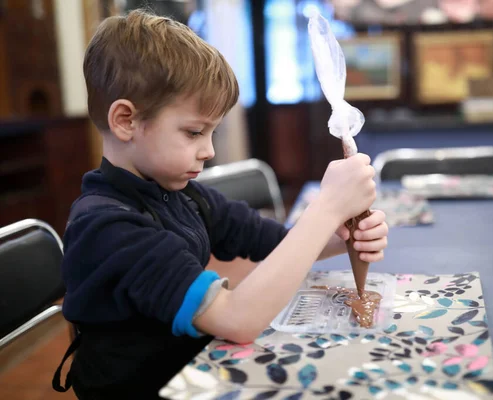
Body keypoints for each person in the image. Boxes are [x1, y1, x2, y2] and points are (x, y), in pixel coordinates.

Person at [53, 9, 389, 399]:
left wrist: (342, 234)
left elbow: (280, 244)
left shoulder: (179, 194)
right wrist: (326, 207)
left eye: (211, 132)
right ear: (126, 120)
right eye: (194, 132)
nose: (209, 150)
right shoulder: (107, 227)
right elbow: (236, 319)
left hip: (196, 373)